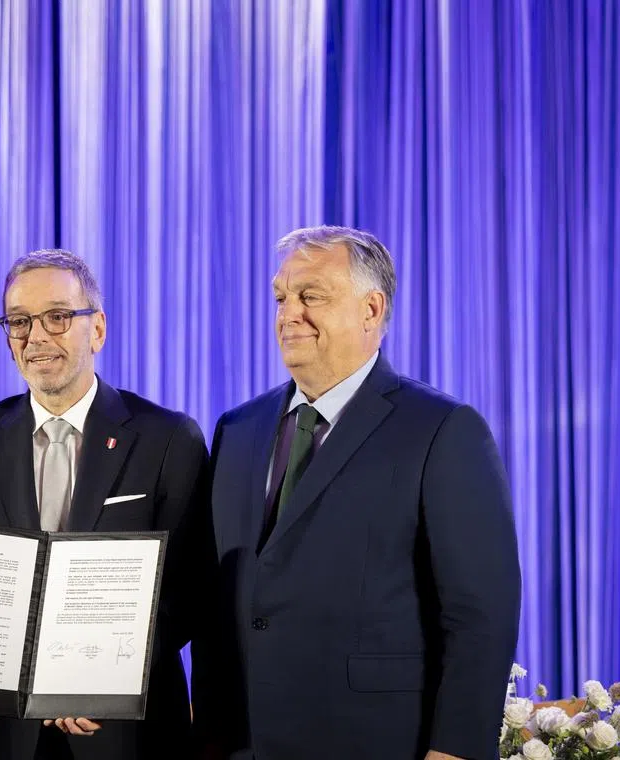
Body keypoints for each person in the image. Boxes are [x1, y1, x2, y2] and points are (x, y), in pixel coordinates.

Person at [191, 225, 521, 760]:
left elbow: (480, 614)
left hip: (376, 740)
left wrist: (455, 750)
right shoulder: (237, 428)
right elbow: (214, 596)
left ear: (371, 309)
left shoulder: (441, 428)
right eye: (281, 297)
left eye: (310, 296)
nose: (288, 313)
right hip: (240, 743)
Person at [0, 249, 210, 760]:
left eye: (58, 317)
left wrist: (101, 675)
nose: (36, 337)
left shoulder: (169, 439)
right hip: (4, 738)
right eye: (19, 321)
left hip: (128, 735)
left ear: (97, 329)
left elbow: (191, 593)